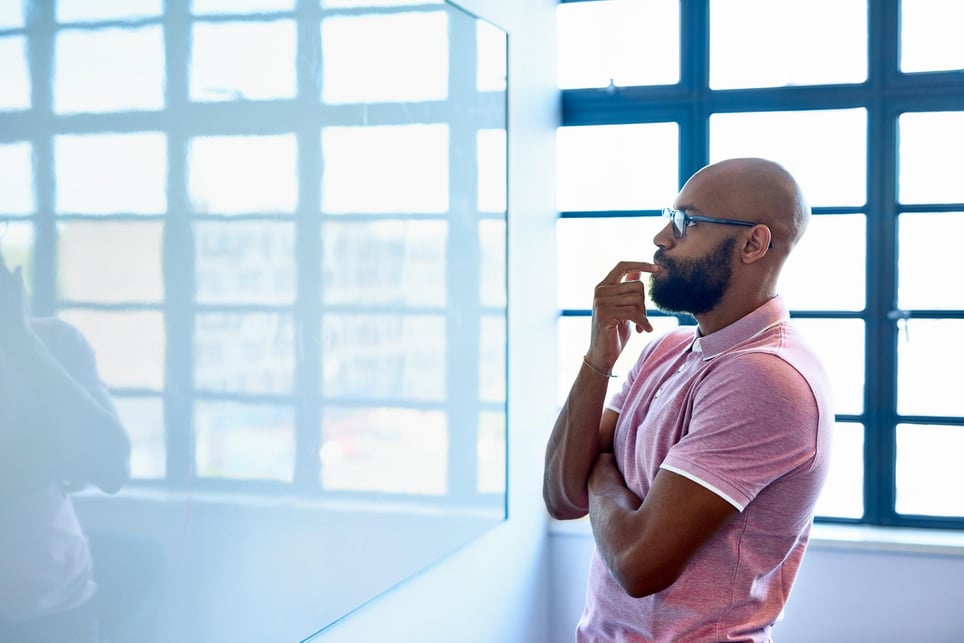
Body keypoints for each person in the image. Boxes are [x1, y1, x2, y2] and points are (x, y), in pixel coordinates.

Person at [543, 158, 834, 642]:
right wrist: (598, 357)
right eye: (668, 215)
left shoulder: (764, 377)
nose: (661, 237)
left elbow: (638, 565)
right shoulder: (669, 348)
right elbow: (560, 496)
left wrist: (598, 467)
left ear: (753, 244)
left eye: (686, 221)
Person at [0, 246, 132, 643]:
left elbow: (111, 468)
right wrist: (44, 456)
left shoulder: (56, 342)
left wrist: (21, 340)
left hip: (57, 610)